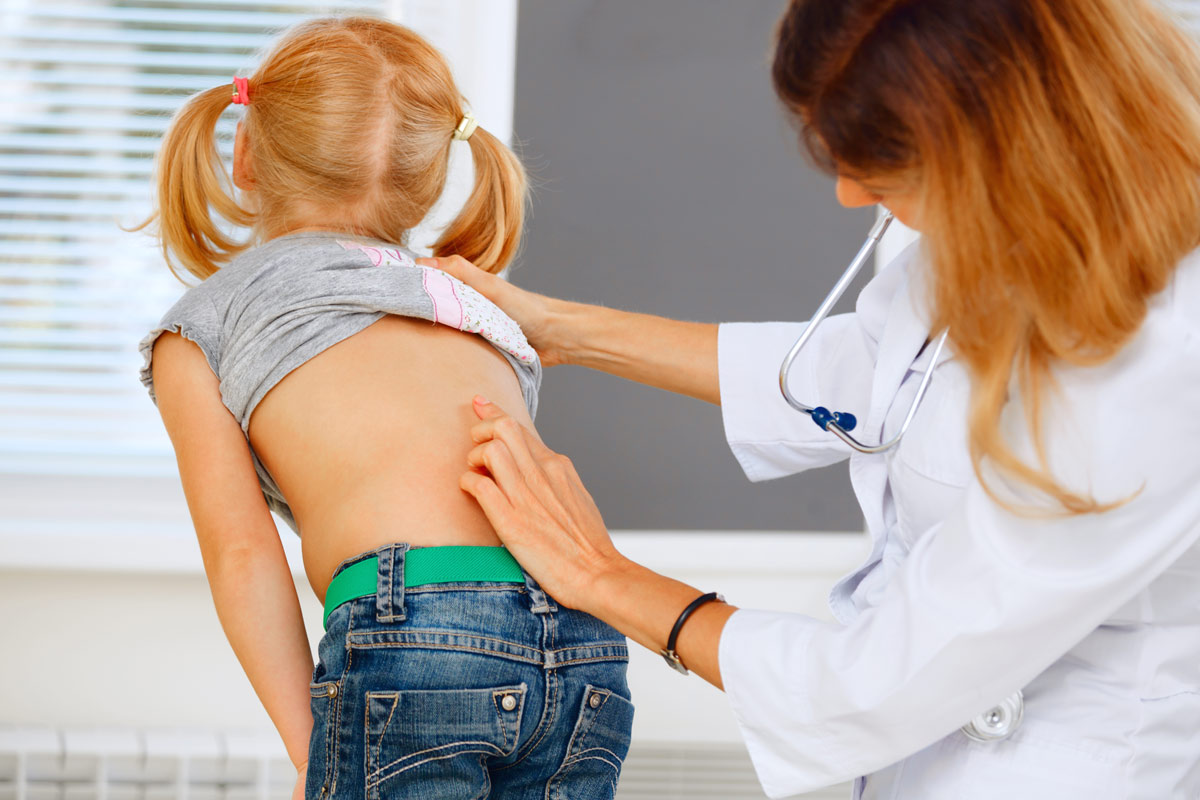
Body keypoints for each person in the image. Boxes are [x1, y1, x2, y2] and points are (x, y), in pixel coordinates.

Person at [420, 1, 1200, 797]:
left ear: (1007, 140)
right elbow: (873, 371)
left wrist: (599, 574)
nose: (850, 193)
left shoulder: (1157, 364)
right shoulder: (1023, 226)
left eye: (886, 165)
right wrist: (560, 328)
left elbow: (875, 678)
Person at [135, 17, 632, 800]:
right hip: (581, 631)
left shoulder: (205, 324)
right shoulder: (470, 304)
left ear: (243, 153)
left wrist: (313, 753)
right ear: (429, 182)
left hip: (418, 633)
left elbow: (244, 556)